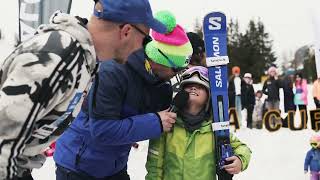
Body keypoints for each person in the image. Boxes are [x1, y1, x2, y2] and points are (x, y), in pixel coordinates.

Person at [0, 0, 167, 179]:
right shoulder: (58, 57)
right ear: (126, 31)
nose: (144, 49)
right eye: (145, 40)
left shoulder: (85, 60)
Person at [54, 10, 193, 180]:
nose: (176, 75)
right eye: (176, 68)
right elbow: (102, 130)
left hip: (114, 166)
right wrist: (155, 122)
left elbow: (170, 121)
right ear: (159, 59)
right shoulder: (112, 72)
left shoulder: (161, 86)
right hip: (80, 165)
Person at [145, 66, 252, 180]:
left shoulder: (215, 130)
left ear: (208, 97)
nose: (193, 88)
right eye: (188, 85)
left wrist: (240, 161)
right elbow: (154, 167)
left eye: (200, 86)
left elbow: (243, 149)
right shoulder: (167, 125)